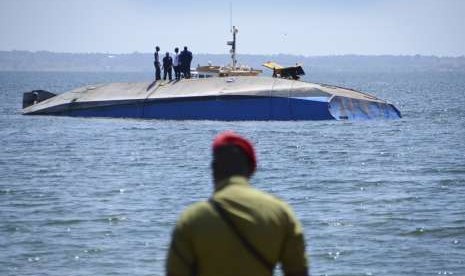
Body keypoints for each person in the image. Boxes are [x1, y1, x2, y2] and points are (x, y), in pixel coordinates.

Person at [166, 131, 309, 276]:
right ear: (251, 170)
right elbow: (298, 271)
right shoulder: (281, 213)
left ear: (213, 169)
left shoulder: (191, 220)